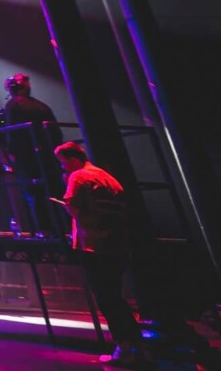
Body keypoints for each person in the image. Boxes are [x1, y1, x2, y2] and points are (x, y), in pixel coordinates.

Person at [54, 142, 145, 366]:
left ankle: (124, 348)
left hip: (94, 244)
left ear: (73, 159)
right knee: (116, 298)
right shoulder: (107, 177)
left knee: (107, 300)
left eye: (63, 161)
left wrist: (65, 200)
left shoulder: (78, 177)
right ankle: (140, 347)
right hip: (117, 244)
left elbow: (73, 208)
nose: (63, 167)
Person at [1, 74, 63, 235]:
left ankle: (44, 231)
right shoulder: (42, 106)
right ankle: (64, 229)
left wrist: (12, 156)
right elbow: (56, 133)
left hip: (27, 159)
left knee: (34, 195)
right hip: (49, 156)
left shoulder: (13, 105)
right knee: (55, 193)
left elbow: (12, 134)